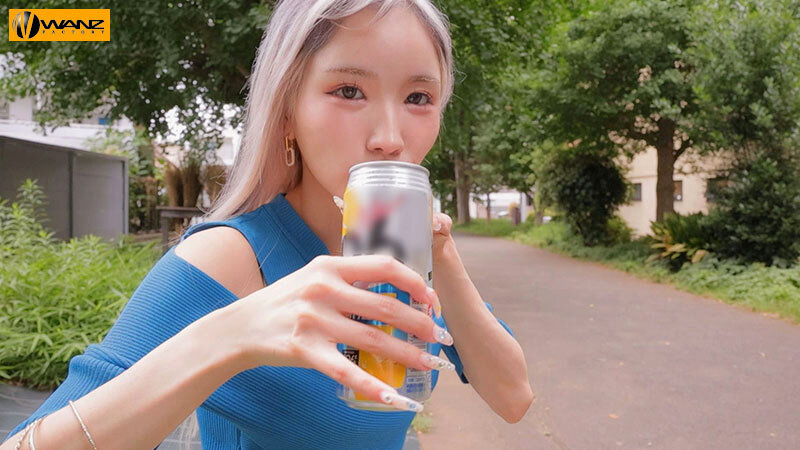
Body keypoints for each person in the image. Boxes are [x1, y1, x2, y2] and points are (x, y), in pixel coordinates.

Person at [2, 1, 533, 448]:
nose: (390, 138)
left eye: (418, 98)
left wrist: (440, 254)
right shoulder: (232, 256)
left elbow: (513, 398)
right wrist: (228, 338)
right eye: (349, 90)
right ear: (286, 110)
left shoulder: (407, 255)